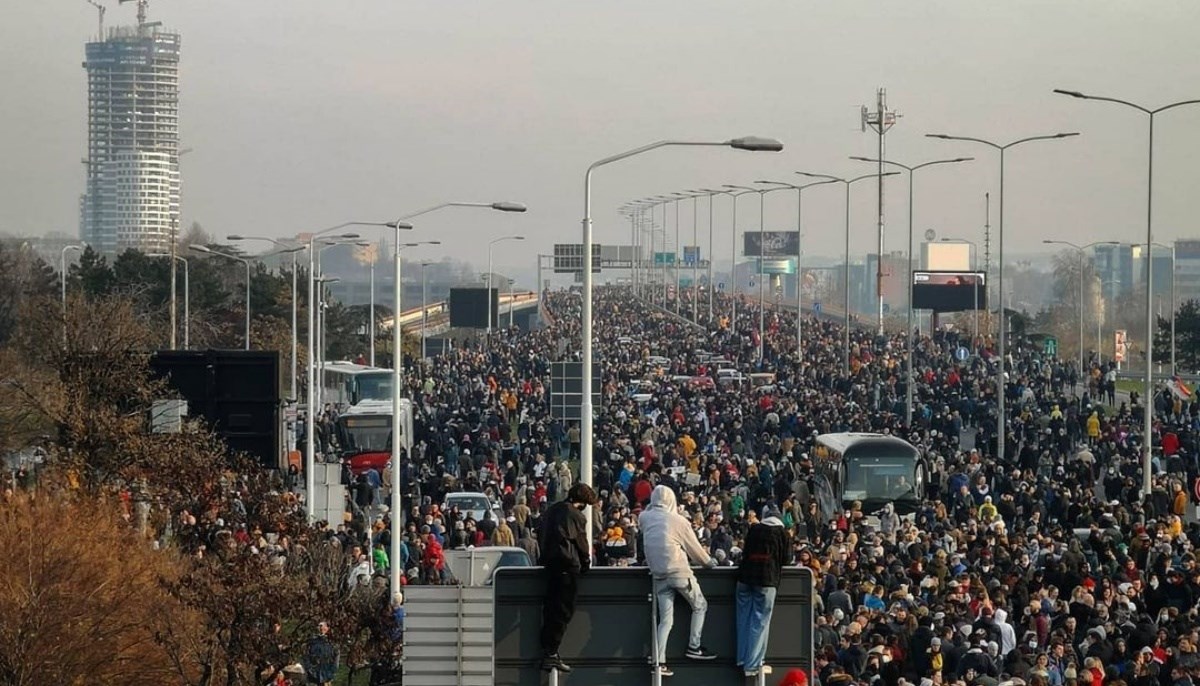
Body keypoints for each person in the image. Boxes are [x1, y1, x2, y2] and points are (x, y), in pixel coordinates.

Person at [640, 484, 718, 677]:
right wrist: (710, 563)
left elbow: (648, 516)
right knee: (700, 605)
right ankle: (694, 646)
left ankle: (659, 662)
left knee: (665, 621)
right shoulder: (678, 521)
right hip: (679, 573)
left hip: (658, 576)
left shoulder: (645, 518)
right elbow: (695, 551)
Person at [537, 482, 597, 673]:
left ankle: (549, 652)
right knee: (564, 610)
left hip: (550, 565)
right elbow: (580, 541)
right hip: (567, 566)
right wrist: (585, 562)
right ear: (584, 502)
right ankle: (552, 653)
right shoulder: (575, 515)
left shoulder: (552, 510)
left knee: (550, 608)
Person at [736, 503, 792, 678]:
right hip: (767, 580)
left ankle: (741, 657)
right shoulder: (782, 533)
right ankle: (752, 664)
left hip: (744, 579)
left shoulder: (754, 529)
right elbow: (787, 559)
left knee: (743, 617)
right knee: (760, 621)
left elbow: (745, 552)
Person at [303, 621, 337, 686]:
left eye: (324, 626)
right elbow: (305, 656)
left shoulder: (332, 643)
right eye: (320, 626)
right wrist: (309, 669)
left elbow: (336, 659)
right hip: (313, 675)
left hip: (327, 675)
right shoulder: (311, 641)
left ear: (328, 628)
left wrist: (331, 672)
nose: (321, 628)